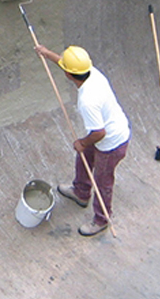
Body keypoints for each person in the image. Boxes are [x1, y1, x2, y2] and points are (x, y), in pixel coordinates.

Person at [34, 44, 131, 237]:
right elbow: (68, 65)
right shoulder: (92, 72)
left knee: (103, 181)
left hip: (111, 143)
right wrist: (47, 54)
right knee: (84, 157)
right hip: (109, 130)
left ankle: (102, 219)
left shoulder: (88, 100)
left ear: (68, 75)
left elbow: (99, 133)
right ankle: (81, 192)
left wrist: (83, 142)